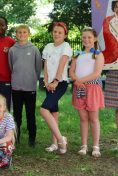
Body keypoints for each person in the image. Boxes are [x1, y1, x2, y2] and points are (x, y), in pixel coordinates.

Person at [69, 27, 105, 157]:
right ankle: (84, 145)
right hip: (79, 88)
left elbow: (97, 73)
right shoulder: (77, 54)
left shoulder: (98, 54)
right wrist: (76, 80)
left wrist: (80, 81)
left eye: (89, 37)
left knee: (93, 118)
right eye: (84, 37)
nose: (86, 39)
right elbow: (71, 70)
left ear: (95, 39)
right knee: (83, 118)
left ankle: (95, 146)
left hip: (93, 89)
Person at [40, 22, 72, 154]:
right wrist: (46, 82)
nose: (57, 34)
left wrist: (55, 81)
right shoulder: (48, 47)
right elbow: (46, 67)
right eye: (55, 32)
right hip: (49, 84)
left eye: (60, 32)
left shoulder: (66, 47)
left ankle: (61, 139)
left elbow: (62, 65)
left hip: (60, 83)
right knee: (54, 113)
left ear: (65, 35)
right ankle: (54, 144)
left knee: (43, 110)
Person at [8, 25, 41, 147]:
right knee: (17, 114)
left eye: (24, 32)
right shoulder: (12, 50)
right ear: (16, 35)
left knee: (30, 114)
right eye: (19, 32)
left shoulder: (34, 49)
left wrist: (32, 79)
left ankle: (32, 140)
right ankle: (16, 138)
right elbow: (11, 66)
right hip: (16, 86)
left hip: (30, 87)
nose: (22, 34)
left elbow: (38, 67)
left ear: (29, 34)